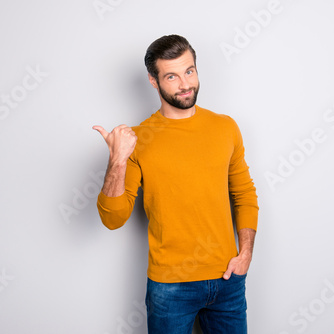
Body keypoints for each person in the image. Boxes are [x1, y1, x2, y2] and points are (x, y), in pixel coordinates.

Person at [92, 34, 258, 334]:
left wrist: (245, 254)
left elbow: (244, 194)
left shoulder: (225, 127)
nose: (185, 84)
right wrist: (117, 159)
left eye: (189, 71)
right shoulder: (138, 139)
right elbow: (113, 219)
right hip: (170, 288)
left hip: (227, 281)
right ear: (154, 81)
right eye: (172, 76)